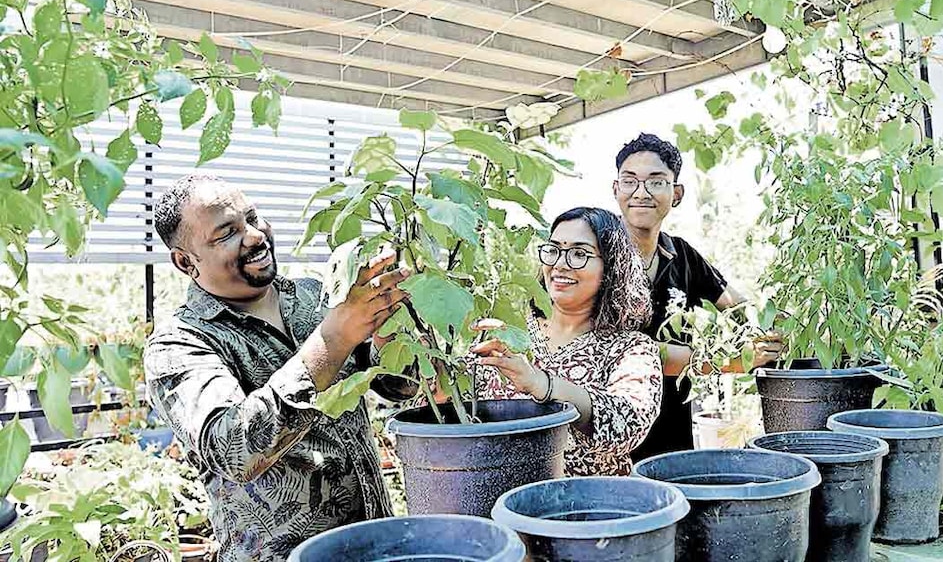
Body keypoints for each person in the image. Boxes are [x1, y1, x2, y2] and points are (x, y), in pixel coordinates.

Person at [144, 174, 412, 562]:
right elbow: (233, 449)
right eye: (227, 233)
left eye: (252, 218)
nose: (255, 236)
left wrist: (389, 328)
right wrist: (334, 339)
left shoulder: (313, 295)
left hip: (377, 540)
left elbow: (396, 386)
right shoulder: (179, 343)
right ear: (186, 262)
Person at [613, 133, 782, 463]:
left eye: (656, 182)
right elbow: (629, 353)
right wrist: (735, 361)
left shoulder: (682, 255)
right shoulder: (594, 255)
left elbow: (740, 309)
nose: (641, 193)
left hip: (670, 435)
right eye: (630, 181)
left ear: (676, 194)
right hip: (608, 434)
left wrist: (782, 327)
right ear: (616, 189)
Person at [470, 207, 662, 477]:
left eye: (579, 254)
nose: (560, 264)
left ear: (611, 267)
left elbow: (627, 425)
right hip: (497, 497)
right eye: (554, 250)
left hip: (588, 500)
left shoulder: (631, 349)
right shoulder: (509, 335)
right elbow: (452, 406)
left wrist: (542, 384)